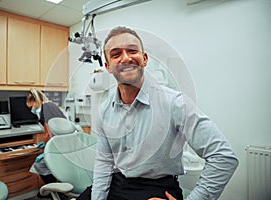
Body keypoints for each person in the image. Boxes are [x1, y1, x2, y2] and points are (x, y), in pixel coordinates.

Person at [77, 26, 238, 200]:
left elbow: (223, 157)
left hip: (156, 189)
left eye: (132, 51)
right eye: (116, 54)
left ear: (144, 59)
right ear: (108, 67)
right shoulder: (105, 110)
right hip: (117, 183)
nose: (126, 58)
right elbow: (104, 161)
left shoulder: (175, 103)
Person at [26, 88, 67, 198]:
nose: (31, 110)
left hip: (61, 145)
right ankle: (53, 190)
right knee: (48, 166)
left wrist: (47, 152)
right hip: (64, 143)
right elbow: (49, 133)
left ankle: (56, 192)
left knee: (40, 165)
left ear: (35, 101)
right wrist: (45, 144)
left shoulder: (45, 108)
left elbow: (50, 134)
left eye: (31, 107)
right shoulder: (49, 105)